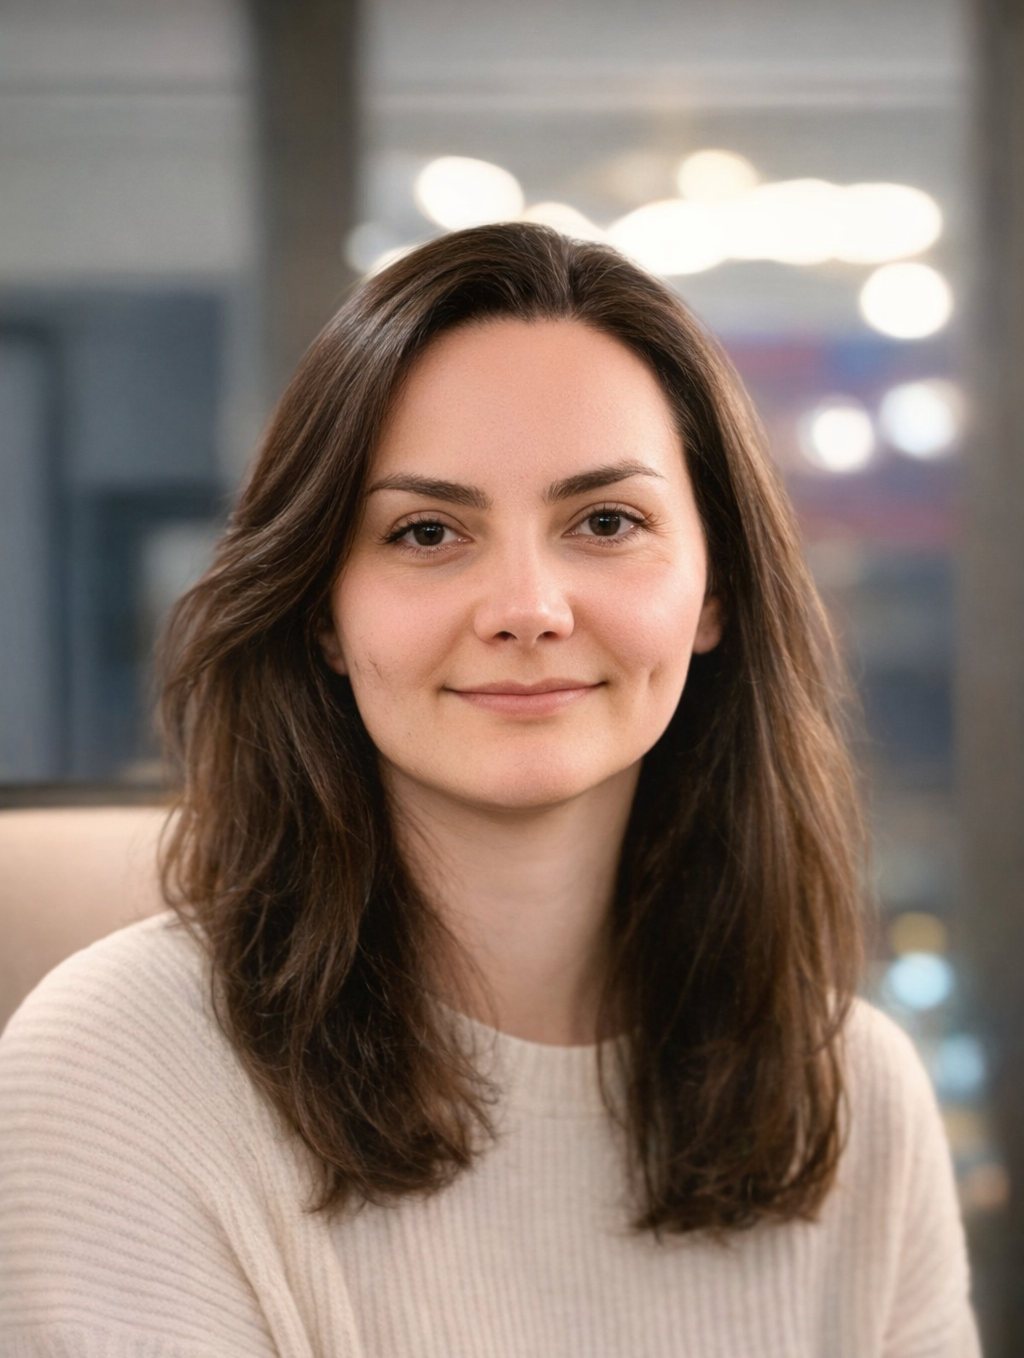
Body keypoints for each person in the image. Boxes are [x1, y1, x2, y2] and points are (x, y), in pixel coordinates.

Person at [0, 223, 978, 1356]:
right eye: (426, 531)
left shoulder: (850, 1088)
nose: (528, 605)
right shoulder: (118, 1069)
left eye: (605, 522)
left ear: (714, 591)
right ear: (324, 609)